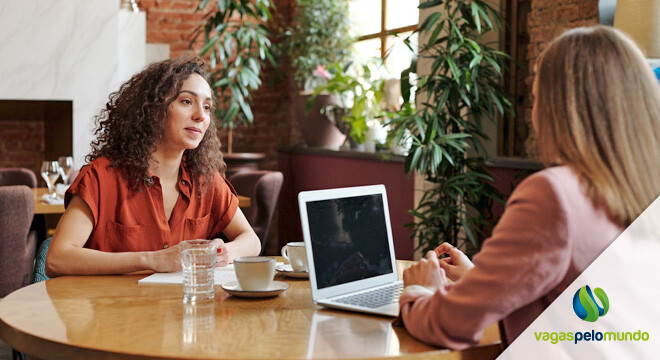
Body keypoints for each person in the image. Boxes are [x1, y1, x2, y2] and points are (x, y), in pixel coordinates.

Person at [398, 26, 660, 349]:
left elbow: (451, 323)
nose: (534, 113)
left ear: (559, 109)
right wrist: (478, 281)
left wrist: (422, 291)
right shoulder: (640, 193)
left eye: (536, 99)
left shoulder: (555, 195)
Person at [46, 57, 260, 277]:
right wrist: (152, 259)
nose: (200, 115)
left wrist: (227, 251)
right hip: (112, 308)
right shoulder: (101, 176)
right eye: (187, 101)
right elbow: (57, 259)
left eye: (207, 107)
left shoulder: (204, 179)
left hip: (182, 308)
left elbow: (251, 240)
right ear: (154, 108)